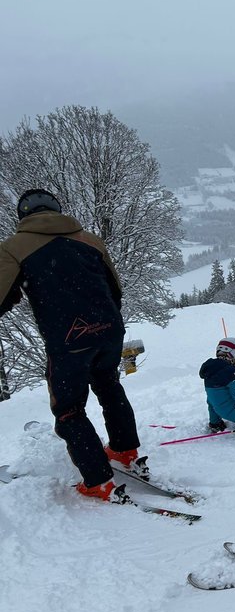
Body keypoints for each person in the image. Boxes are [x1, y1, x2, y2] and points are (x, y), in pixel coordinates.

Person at [0, 189, 144, 502]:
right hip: (109, 329)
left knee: (68, 409)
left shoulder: (13, 247)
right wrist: (101, 324)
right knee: (109, 386)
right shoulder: (90, 240)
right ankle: (124, 450)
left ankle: (97, 480)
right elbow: (115, 289)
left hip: (69, 340)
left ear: (23, 215)